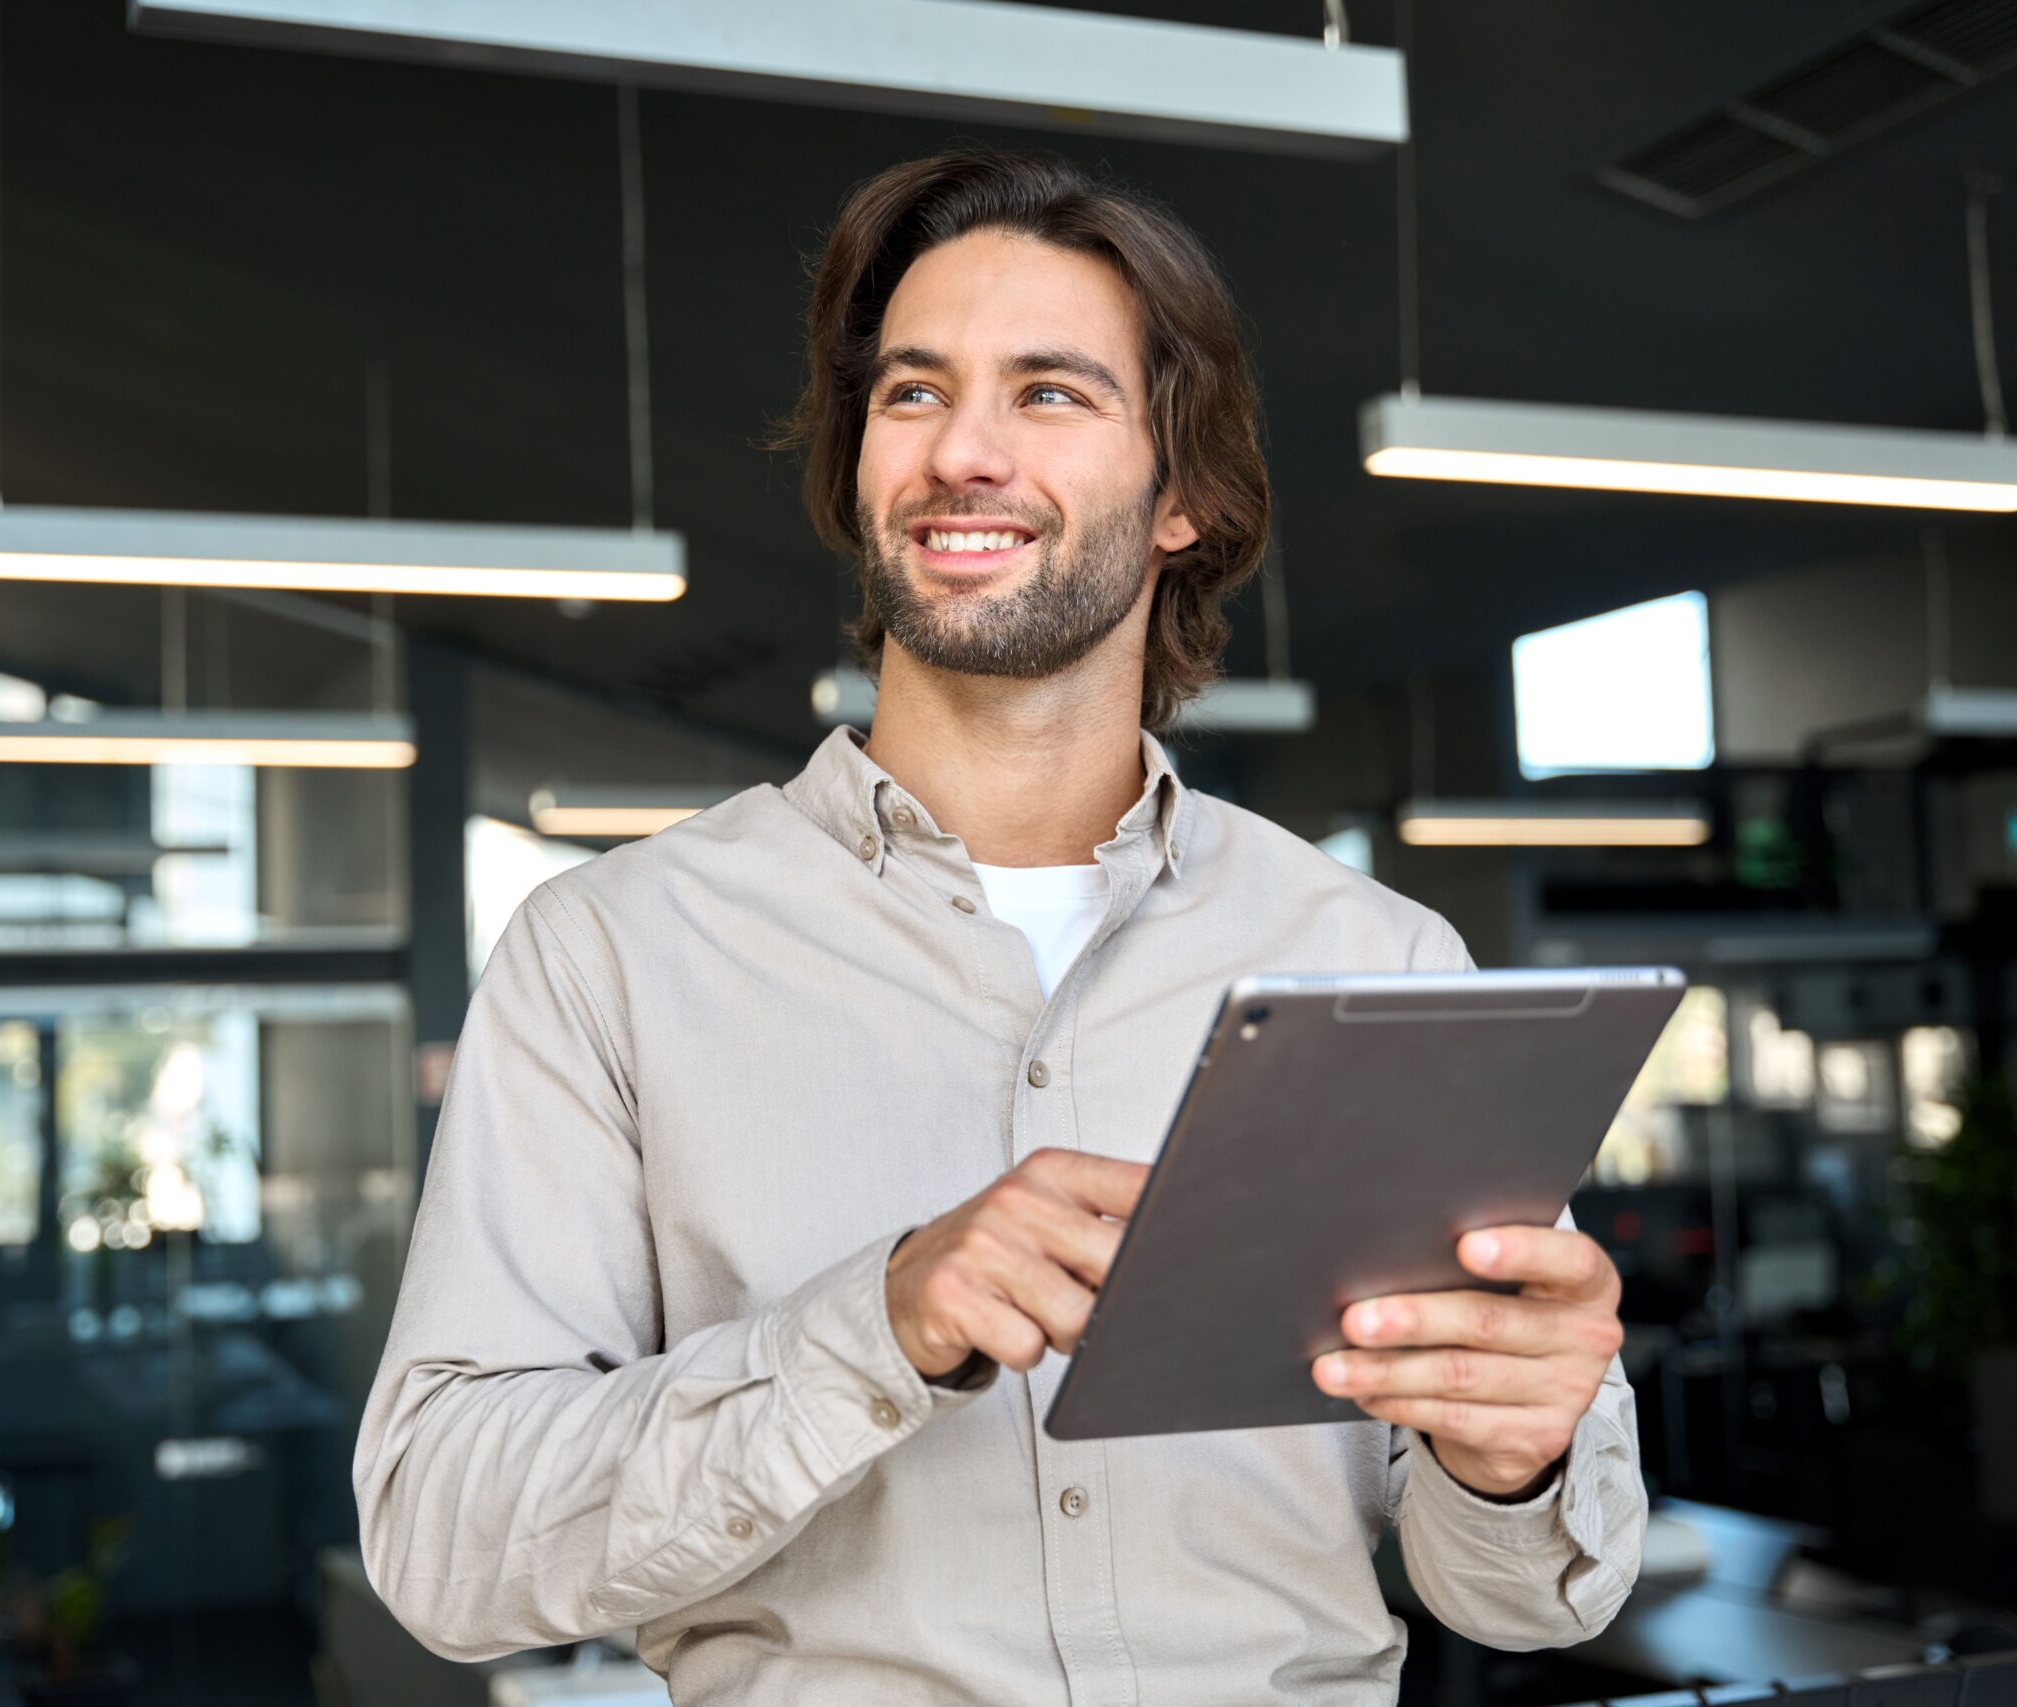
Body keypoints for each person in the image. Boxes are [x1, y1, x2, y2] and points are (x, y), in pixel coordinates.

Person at [355, 148, 1644, 1704]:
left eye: (1048, 394)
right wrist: (880, 1324)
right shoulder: (610, 956)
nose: (962, 451)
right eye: (912, 394)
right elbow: (442, 1543)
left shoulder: (1376, 962)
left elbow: (1517, 1601)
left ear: (1189, 501)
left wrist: (1514, 1457)